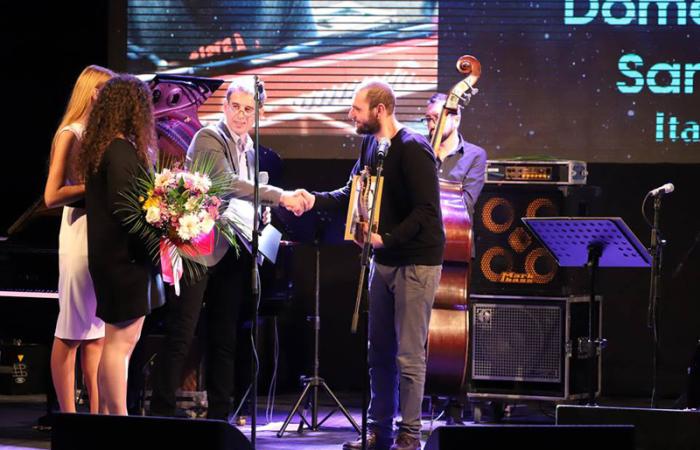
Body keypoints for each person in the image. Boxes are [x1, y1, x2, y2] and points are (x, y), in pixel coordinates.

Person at [148, 76, 309, 420]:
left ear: (258, 114)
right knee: (182, 333)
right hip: (197, 248)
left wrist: (262, 213)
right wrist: (281, 196)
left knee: (225, 337)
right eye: (235, 106)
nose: (241, 115)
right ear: (224, 107)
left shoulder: (250, 148)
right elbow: (225, 182)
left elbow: (243, 197)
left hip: (232, 250)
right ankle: (160, 413)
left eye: (249, 110)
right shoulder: (209, 137)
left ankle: (221, 416)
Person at [301, 79, 445, 450]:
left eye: (357, 108)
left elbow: (427, 212)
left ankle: (409, 434)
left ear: (379, 110)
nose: (351, 114)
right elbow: (352, 192)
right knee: (378, 351)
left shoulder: (413, 149)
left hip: (415, 261)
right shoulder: (370, 145)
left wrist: (387, 239)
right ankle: (380, 431)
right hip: (383, 261)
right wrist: (312, 200)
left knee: (408, 355)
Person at [78, 75, 166, 415]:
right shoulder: (120, 150)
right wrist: (155, 241)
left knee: (115, 343)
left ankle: (108, 417)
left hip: (111, 258)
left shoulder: (105, 148)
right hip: (124, 260)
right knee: (120, 345)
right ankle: (118, 419)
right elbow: (126, 208)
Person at [43, 64, 115, 413]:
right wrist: (97, 187)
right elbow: (52, 195)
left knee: (96, 335)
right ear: (94, 93)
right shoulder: (70, 133)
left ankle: (98, 417)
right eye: (108, 92)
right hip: (78, 239)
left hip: (101, 238)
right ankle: (68, 417)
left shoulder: (103, 137)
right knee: (71, 331)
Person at [424, 92, 486, 222]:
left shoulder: (475, 155)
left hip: (456, 230)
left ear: (456, 120)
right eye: (428, 119)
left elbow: (465, 204)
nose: (432, 124)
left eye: (437, 117)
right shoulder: (419, 150)